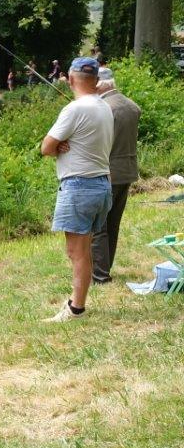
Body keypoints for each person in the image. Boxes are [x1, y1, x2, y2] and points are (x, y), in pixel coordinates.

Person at [40, 57, 114, 322]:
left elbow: (45, 148)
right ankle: (76, 302)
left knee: (76, 252)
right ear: (95, 80)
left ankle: (76, 309)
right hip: (101, 185)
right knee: (83, 248)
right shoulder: (104, 106)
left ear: (70, 79)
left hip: (79, 186)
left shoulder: (74, 110)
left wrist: (58, 145)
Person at [91, 66, 140, 285]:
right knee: (113, 224)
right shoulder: (132, 106)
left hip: (107, 172)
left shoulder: (104, 108)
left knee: (99, 226)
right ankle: (105, 267)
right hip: (127, 171)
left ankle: (100, 275)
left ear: (101, 84)